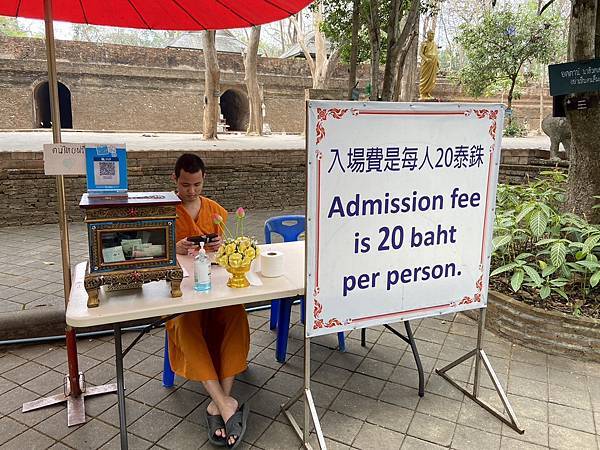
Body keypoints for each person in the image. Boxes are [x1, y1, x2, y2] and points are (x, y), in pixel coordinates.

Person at [166, 153, 250, 448]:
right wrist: (172, 246)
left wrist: (220, 244)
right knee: (185, 323)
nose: (191, 191)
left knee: (236, 315)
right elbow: (154, 250)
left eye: (197, 184)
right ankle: (226, 404)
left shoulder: (215, 210)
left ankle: (219, 403)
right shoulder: (165, 211)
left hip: (215, 288)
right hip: (183, 293)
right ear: (175, 179)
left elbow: (224, 245)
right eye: (186, 185)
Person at [419, 30, 440, 100]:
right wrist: (426, 59)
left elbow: (436, 54)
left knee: (432, 79)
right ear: (427, 35)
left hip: (433, 63)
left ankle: (427, 93)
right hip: (426, 63)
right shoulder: (424, 43)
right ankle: (422, 93)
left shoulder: (434, 44)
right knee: (425, 78)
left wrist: (437, 62)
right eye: (430, 34)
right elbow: (420, 53)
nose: (432, 36)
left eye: (433, 35)